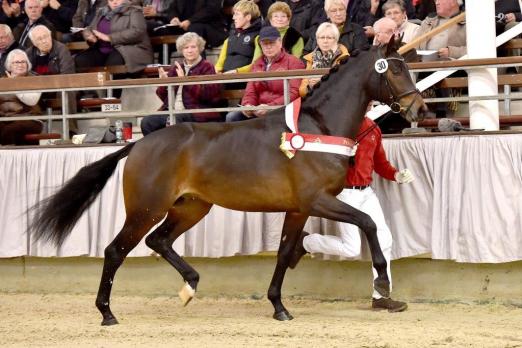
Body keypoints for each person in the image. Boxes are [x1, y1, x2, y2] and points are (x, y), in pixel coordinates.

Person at [290, 104, 414, 312]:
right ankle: (306, 242)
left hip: (367, 193)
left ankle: (381, 295)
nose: (369, 105)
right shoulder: (339, 127)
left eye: (371, 102)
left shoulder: (373, 128)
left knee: (385, 240)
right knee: (351, 248)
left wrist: (396, 175)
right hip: (345, 193)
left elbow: (380, 162)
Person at [140, 32, 223, 136]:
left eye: (193, 47)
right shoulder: (177, 67)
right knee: (147, 122)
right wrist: (164, 83)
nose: (190, 50)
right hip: (173, 111)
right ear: (181, 50)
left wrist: (185, 81)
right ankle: (159, 151)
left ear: (200, 48)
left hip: (197, 112)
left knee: (177, 120)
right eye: (186, 47)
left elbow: (210, 95)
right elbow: (164, 98)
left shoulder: (207, 67)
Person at [225, 25, 304, 122]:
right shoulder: (257, 64)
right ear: (260, 45)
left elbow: (294, 92)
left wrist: (270, 107)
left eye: (272, 43)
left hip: (282, 110)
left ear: (280, 42)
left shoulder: (294, 62)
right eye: (264, 44)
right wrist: (248, 105)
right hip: (259, 110)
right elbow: (251, 90)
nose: (268, 47)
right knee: (232, 117)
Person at [74, 0, 153, 74]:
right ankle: (90, 89)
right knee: (81, 60)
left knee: (113, 62)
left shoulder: (134, 10)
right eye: (111, 0)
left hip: (127, 50)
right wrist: (88, 35)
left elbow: (138, 31)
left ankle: (114, 89)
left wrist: (109, 38)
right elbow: (90, 28)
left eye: (117, 0)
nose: (114, 2)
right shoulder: (102, 12)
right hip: (102, 50)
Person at [0, 49, 43, 145]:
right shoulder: (2, 81)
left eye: (23, 62)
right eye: (16, 62)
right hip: (5, 119)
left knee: (10, 130)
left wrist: (14, 85)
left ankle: (9, 158)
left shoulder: (34, 80)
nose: (20, 64)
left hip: (30, 119)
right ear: (9, 65)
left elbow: (31, 101)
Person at [299, 22, 349, 97]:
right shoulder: (310, 59)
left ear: (336, 40)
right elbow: (301, 91)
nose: (325, 41)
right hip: (315, 101)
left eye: (329, 38)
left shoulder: (345, 58)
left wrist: (322, 83)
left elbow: (345, 86)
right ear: (317, 40)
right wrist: (310, 86)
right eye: (322, 37)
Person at [303, 0, 368, 56]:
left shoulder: (357, 30)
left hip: (347, 68)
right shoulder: (319, 30)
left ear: (346, 11)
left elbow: (361, 56)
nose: (338, 14)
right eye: (334, 11)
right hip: (318, 69)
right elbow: (305, 53)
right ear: (328, 14)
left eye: (341, 9)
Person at [214, 0, 262, 75]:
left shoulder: (258, 37)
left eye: (237, 14)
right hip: (225, 79)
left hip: (245, 80)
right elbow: (219, 63)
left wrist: (237, 72)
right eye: (234, 14)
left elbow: (257, 64)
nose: (233, 18)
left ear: (248, 17)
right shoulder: (229, 38)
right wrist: (217, 71)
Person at [159, 0, 227, 48]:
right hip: (183, 26)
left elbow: (211, 10)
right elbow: (171, 9)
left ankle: (199, 66)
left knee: (194, 29)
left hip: (208, 27)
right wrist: (173, 18)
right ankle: (159, 65)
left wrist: (190, 21)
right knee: (156, 28)